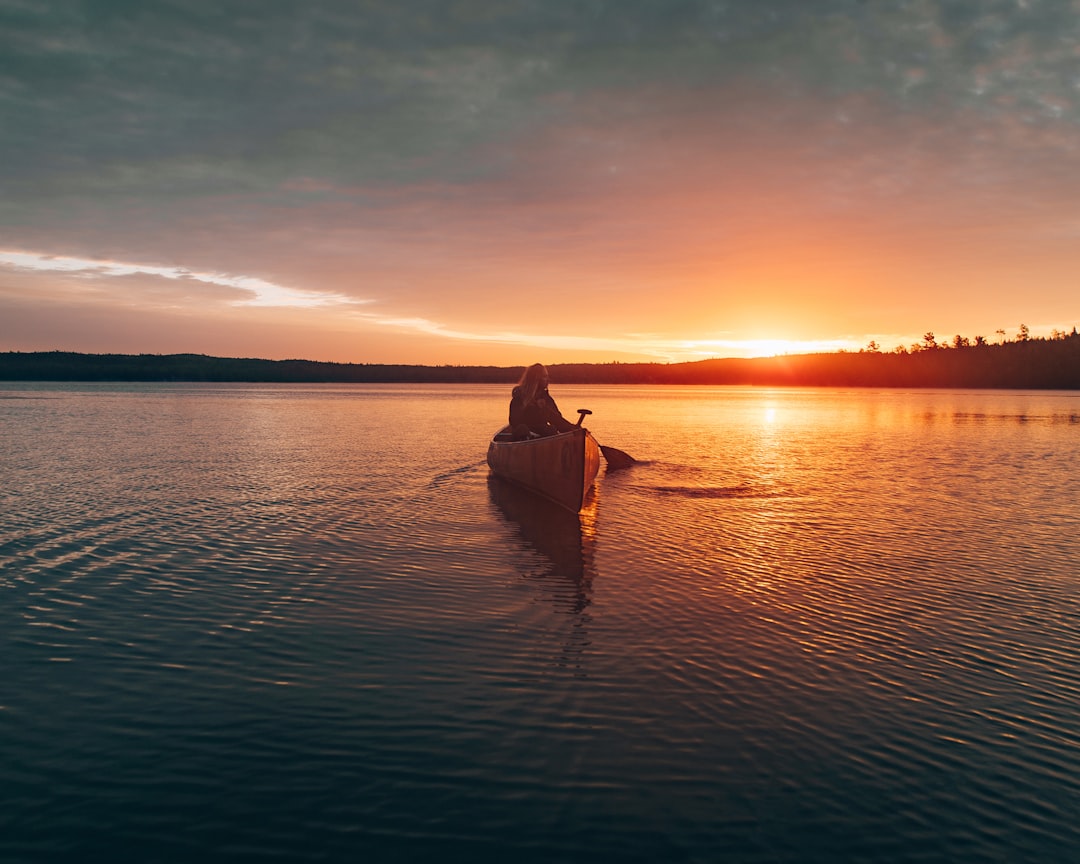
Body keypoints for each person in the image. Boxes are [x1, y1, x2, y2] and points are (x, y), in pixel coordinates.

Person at [509, 363, 578, 439]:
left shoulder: (546, 399)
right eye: (545, 376)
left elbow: (557, 419)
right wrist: (535, 409)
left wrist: (572, 428)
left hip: (542, 437)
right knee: (522, 429)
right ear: (536, 378)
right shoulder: (519, 398)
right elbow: (514, 422)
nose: (548, 379)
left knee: (551, 430)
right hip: (524, 438)